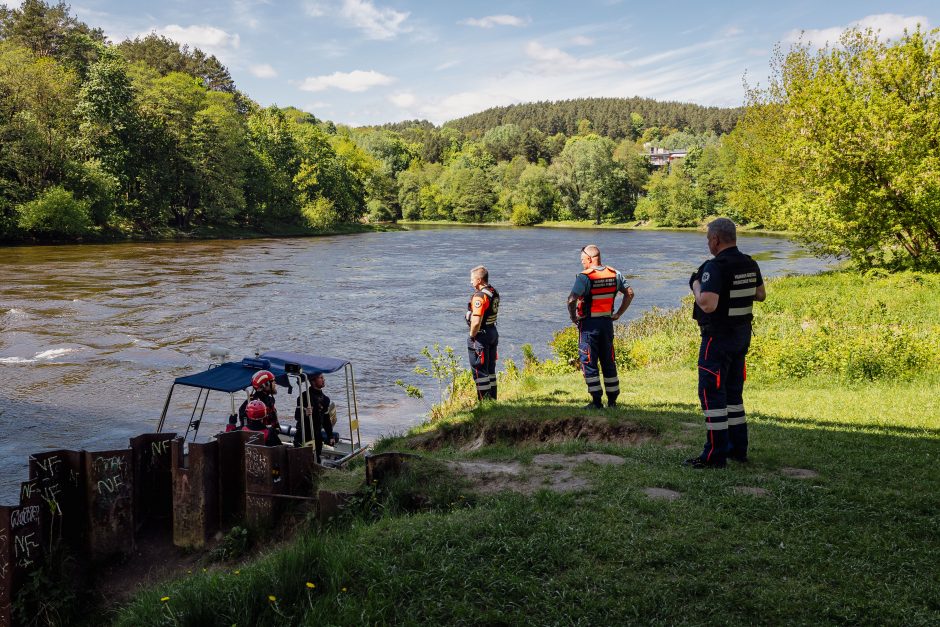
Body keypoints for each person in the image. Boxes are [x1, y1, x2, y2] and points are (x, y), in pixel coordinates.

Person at [685, 218, 766, 469]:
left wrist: (696, 285)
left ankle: (714, 455)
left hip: (717, 338)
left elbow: (708, 303)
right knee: (733, 394)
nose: (708, 243)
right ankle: (737, 449)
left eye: (709, 239)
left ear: (716, 239)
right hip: (741, 336)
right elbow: (760, 294)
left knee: (711, 395)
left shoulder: (715, 266)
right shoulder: (749, 263)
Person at [567, 244, 634, 408]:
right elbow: (630, 293)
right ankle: (612, 401)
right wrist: (618, 313)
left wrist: (573, 316)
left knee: (588, 360)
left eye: (583, 260)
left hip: (589, 325)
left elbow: (571, 299)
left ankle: (596, 401)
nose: (582, 263)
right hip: (607, 324)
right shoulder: (615, 274)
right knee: (608, 360)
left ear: (589, 259)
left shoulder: (584, 277)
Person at [466, 265, 500, 400]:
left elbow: (476, 321)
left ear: (479, 280)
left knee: (479, 372)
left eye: (472, 279)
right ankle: (493, 401)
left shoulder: (480, 296)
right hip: (492, 332)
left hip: (481, 336)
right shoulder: (493, 291)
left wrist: (472, 335)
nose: (471, 282)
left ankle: (484, 405)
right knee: (490, 371)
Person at [294, 372, 337, 461]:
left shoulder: (325, 399)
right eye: (320, 377)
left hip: (317, 435)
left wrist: (330, 436)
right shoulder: (304, 397)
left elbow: (326, 419)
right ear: (313, 381)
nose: (323, 379)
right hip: (304, 434)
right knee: (302, 460)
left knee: (316, 459)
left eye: (323, 377)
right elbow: (297, 416)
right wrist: (305, 413)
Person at [237, 369, 283, 445]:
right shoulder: (255, 404)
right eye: (273, 381)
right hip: (262, 440)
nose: (275, 383)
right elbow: (249, 428)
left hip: (269, 435)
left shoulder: (268, 400)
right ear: (265, 385)